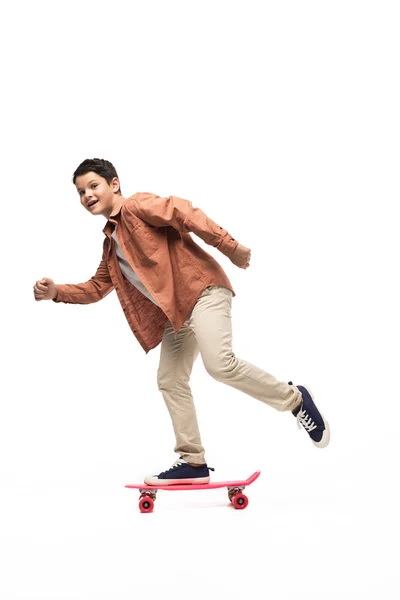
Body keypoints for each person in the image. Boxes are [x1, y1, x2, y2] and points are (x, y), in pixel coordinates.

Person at [33, 158, 330, 486]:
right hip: (178, 316)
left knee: (220, 365)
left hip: (202, 291)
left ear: (113, 184)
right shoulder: (110, 246)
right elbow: (95, 288)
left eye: (93, 185)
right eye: (80, 192)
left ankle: (295, 399)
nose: (87, 194)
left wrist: (229, 247)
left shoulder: (137, 205)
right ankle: (192, 459)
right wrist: (56, 292)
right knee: (170, 379)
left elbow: (184, 212)